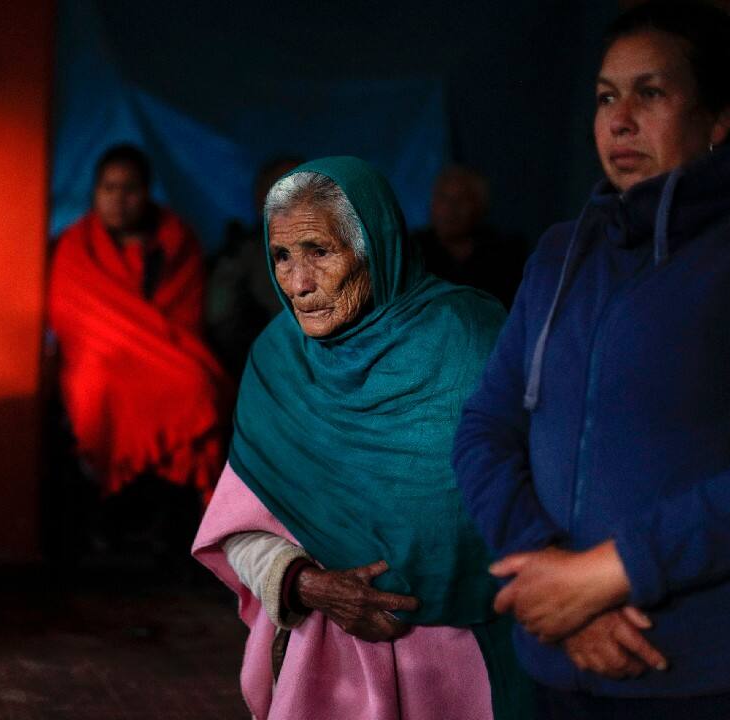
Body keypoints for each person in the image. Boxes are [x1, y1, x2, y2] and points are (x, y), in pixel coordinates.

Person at [451, 2, 730, 717]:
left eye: (652, 92)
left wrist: (615, 572)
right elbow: (484, 428)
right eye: (607, 97)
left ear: (720, 118)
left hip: (700, 669)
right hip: (558, 660)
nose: (620, 120)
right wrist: (554, 581)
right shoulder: (559, 254)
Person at [193, 156, 531, 720]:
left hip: (467, 663)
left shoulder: (472, 341)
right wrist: (306, 585)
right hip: (325, 664)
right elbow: (239, 529)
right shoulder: (278, 363)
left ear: (376, 244)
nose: (298, 285)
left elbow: (536, 500)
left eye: (320, 252)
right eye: (282, 256)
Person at [47, 144, 230, 555]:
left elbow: (185, 313)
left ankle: (174, 521)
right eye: (109, 187)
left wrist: (145, 345)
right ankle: (108, 513)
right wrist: (123, 343)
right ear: (94, 192)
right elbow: (72, 316)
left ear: (147, 192)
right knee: (98, 388)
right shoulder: (77, 245)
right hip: (99, 354)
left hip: (164, 351)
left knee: (197, 384)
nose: (119, 198)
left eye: (130, 188)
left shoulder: (175, 239)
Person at [206, 155, 304, 377]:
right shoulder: (244, 254)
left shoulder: (339, 244)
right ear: (262, 200)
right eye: (287, 189)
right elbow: (221, 318)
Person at [409, 165, 526, 308]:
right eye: (443, 198)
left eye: (462, 200)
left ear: (480, 206)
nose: (450, 209)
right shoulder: (413, 251)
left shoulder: (504, 253)